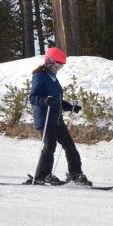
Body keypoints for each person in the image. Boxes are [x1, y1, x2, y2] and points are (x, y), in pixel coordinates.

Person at [28, 47, 90, 185]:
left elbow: (57, 100)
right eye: (57, 64)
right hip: (45, 118)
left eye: (61, 65)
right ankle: (42, 176)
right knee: (50, 145)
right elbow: (33, 98)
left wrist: (70, 107)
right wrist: (44, 101)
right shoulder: (40, 76)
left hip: (56, 119)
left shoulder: (53, 78)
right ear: (49, 61)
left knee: (70, 146)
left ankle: (75, 174)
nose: (59, 67)